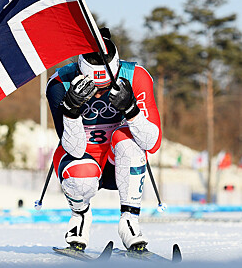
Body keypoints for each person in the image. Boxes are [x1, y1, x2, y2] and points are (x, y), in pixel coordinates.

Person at [46, 28, 161, 252]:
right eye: (93, 88)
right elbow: (74, 149)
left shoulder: (136, 76)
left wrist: (132, 110)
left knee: (127, 139)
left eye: (106, 86)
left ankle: (129, 223)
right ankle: (80, 217)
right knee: (82, 176)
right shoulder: (60, 83)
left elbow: (152, 144)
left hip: (117, 163)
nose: (99, 94)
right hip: (81, 159)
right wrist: (70, 111)